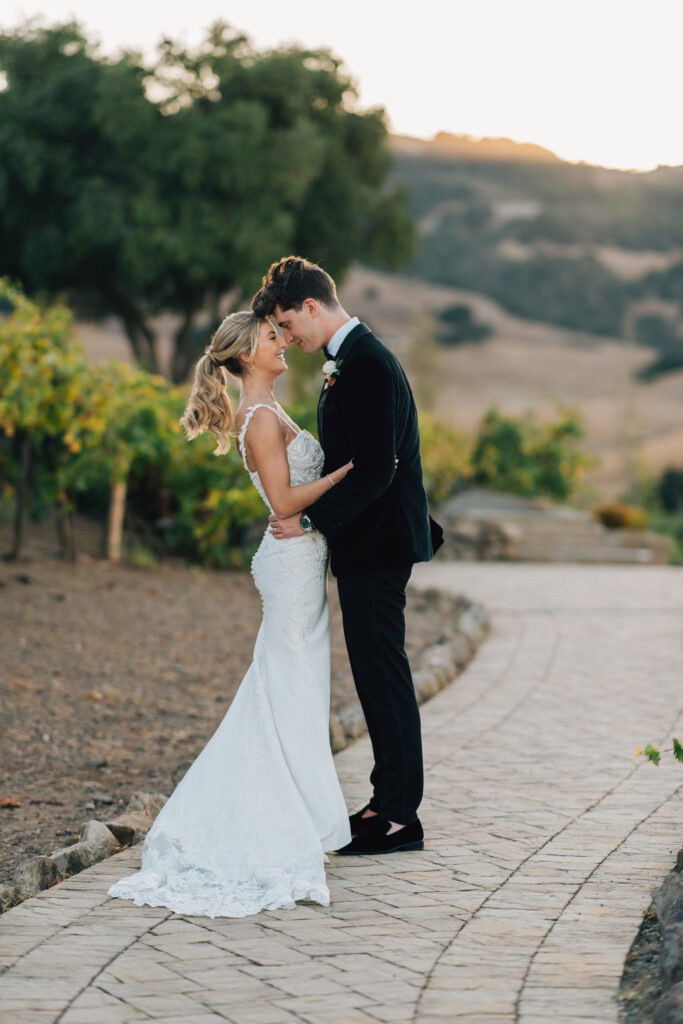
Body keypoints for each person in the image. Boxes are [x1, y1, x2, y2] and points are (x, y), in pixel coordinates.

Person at [107, 310, 353, 918]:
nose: (284, 344)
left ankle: (302, 809)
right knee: (289, 687)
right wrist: (349, 473)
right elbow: (283, 500)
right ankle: (287, 818)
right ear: (246, 355)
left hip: (299, 560)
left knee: (290, 687)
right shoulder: (260, 419)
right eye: (273, 338)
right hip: (291, 568)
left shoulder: (269, 411)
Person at [252, 257, 443, 857]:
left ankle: (399, 817)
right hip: (366, 542)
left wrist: (309, 518)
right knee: (372, 674)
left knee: (384, 675)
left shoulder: (365, 363)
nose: (288, 338)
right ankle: (383, 801)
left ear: (312, 306)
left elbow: (376, 469)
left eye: (288, 323)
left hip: (379, 543)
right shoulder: (351, 361)